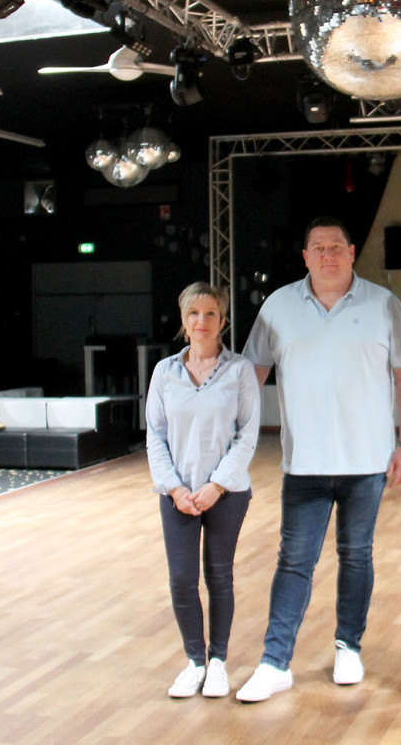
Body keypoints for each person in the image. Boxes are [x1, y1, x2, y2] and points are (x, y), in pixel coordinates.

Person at [234, 216, 401, 703]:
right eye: (318, 248)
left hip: (367, 461)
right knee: (294, 561)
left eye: (336, 246)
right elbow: (251, 374)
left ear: (353, 251)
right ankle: (275, 662)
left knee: (355, 555)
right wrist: (228, 438)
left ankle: (348, 647)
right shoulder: (278, 306)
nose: (328, 256)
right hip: (305, 463)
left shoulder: (383, 304)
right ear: (305, 257)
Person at [146, 282, 260, 699]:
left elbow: (247, 436)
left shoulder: (239, 371)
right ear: (183, 321)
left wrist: (216, 485)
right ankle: (194, 661)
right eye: (194, 313)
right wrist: (175, 489)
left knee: (219, 576)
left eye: (211, 313)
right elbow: (155, 437)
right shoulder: (164, 372)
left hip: (226, 494)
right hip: (178, 494)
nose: (202, 321)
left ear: (223, 321)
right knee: (181, 580)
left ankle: (218, 663)